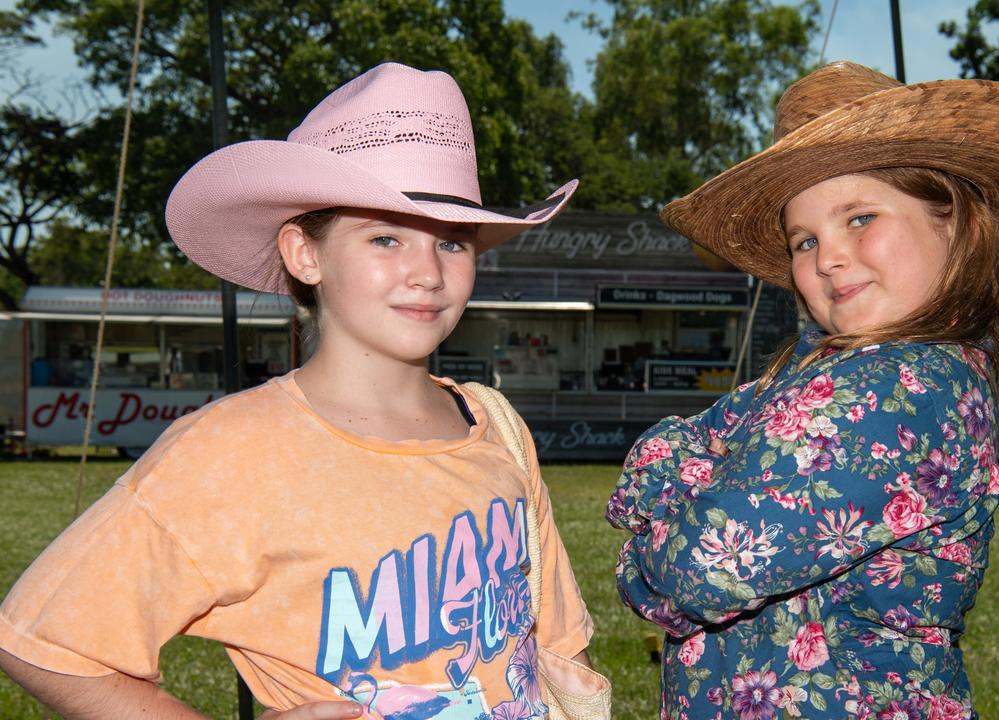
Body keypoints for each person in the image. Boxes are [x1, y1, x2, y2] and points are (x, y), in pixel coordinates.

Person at [0, 63, 594, 719]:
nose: (426, 272)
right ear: (304, 254)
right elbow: (42, 641)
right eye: (385, 237)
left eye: (452, 241)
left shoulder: (495, 425)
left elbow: (563, 647)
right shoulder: (232, 452)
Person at [605, 61, 999, 719]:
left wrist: (655, 540)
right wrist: (696, 482)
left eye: (860, 217)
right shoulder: (822, 378)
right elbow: (662, 452)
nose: (828, 256)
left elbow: (699, 568)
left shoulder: (907, 389)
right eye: (804, 238)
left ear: (962, 226)